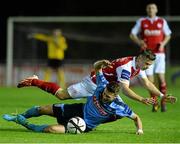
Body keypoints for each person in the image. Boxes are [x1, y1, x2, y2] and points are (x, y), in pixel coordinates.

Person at [3, 60, 147, 135]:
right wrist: (100, 63)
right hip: (77, 109)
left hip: (84, 125)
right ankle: (18, 117)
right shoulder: (102, 85)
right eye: (104, 94)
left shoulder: (120, 107)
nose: (104, 97)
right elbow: (97, 68)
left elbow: (136, 118)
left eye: (108, 97)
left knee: (51, 130)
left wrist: (139, 130)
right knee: (42, 109)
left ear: (115, 96)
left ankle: (26, 125)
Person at [17, 50, 176, 107]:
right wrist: (142, 99)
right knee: (61, 95)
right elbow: (126, 89)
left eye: (150, 64)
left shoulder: (138, 65)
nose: (148, 66)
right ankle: (35, 80)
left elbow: (147, 82)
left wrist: (162, 96)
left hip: (106, 88)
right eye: (147, 63)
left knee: (120, 111)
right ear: (141, 58)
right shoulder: (126, 66)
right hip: (93, 83)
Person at [129, 3, 172, 112]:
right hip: (146, 55)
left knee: (161, 79)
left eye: (153, 8)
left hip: (159, 54)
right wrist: (139, 42)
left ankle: (163, 102)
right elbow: (132, 34)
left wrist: (163, 43)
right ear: (146, 9)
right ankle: (155, 102)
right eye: (149, 7)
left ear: (156, 10)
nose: (151, 9)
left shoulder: (162, 21)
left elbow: (168, 34)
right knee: (150, 81)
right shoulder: (142, 21)